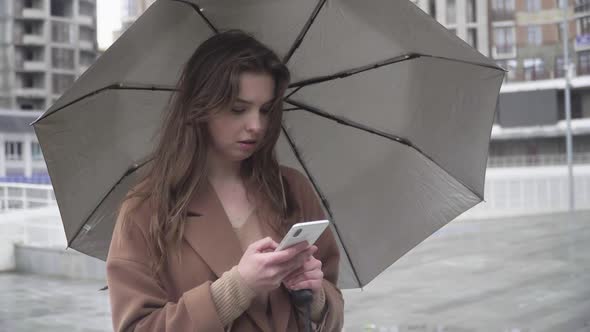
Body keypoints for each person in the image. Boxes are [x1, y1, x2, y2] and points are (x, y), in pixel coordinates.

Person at [106, 29, 344, 331]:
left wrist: (316, 296)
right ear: (199, 107)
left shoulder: (292, 189)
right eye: (238, 109)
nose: (256, 126)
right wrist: (237, 287)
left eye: (266, 110)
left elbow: (333, 307)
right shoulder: (146, 209)